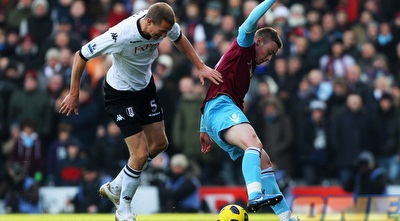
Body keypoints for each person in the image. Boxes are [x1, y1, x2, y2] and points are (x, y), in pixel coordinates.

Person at [58, 2, 222, 221]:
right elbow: (80, 55)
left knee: (160, 144)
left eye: (166, 32)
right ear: (148, 21)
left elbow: (179, 37)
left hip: (144, 88)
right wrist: (74, 92)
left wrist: (200, 66)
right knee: (141, 153)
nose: (163, 36)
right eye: (161, 31)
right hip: (120, 93)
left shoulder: (164, 22)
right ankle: (123, 208)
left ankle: (116, 185)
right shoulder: (120, 35)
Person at [199, 0, 298, 220]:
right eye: (269, 51)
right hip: (221, 108)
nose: (269, 58)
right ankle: (254, 194)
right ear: (259, 40)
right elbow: (251, 19)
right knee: (254, 143)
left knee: (264, 161)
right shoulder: (243, 45)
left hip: (218, 112)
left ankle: (288, 218)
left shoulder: (246, 63)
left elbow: (212, 87)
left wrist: (203, 128)